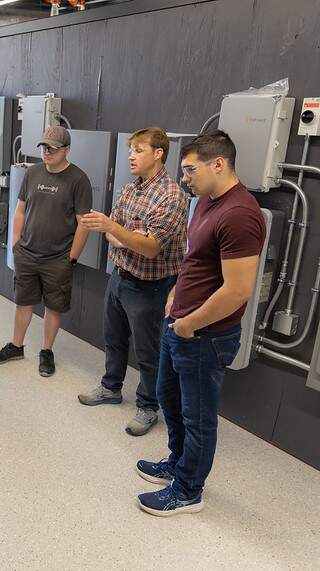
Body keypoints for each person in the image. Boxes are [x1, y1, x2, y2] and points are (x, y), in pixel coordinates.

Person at [137, 130, 265, 516]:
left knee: (198, 417)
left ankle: (189, 490)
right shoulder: (207, 201)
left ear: (219, 164)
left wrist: (191, 323)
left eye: (191, 169)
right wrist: (176, 293)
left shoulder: (240, 214)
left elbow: (238, 289)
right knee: (169, 400)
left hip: (205, 335)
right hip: (181, 324)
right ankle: (178, 464)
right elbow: (196, 259)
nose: (185, 177)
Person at [78, 127, 189, 436]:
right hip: (120, 276)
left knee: (148, 350)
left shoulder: (172, 196)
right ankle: (111, 387)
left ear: (159, 154)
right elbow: (114, 234)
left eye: (138, 150)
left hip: (150, 287)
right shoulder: (130, 189)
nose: (131, 155)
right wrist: (127, 236)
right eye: (130, 150)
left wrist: (120, 232)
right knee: (113, 337)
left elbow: (152, 246)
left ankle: (148, 406)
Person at [0, 125, 91, 377]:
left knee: (53, 306)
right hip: (27, 253)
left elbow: (83, 223)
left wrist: (72, 258)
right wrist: (15, 244)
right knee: (23, 301)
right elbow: (20, 209)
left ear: (67, 149)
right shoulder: (32, 173)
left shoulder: (78, 180)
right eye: (44, 147)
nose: (47, 152)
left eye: (53, 148)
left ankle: (46, 351)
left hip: (58, 258)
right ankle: (16, 345)